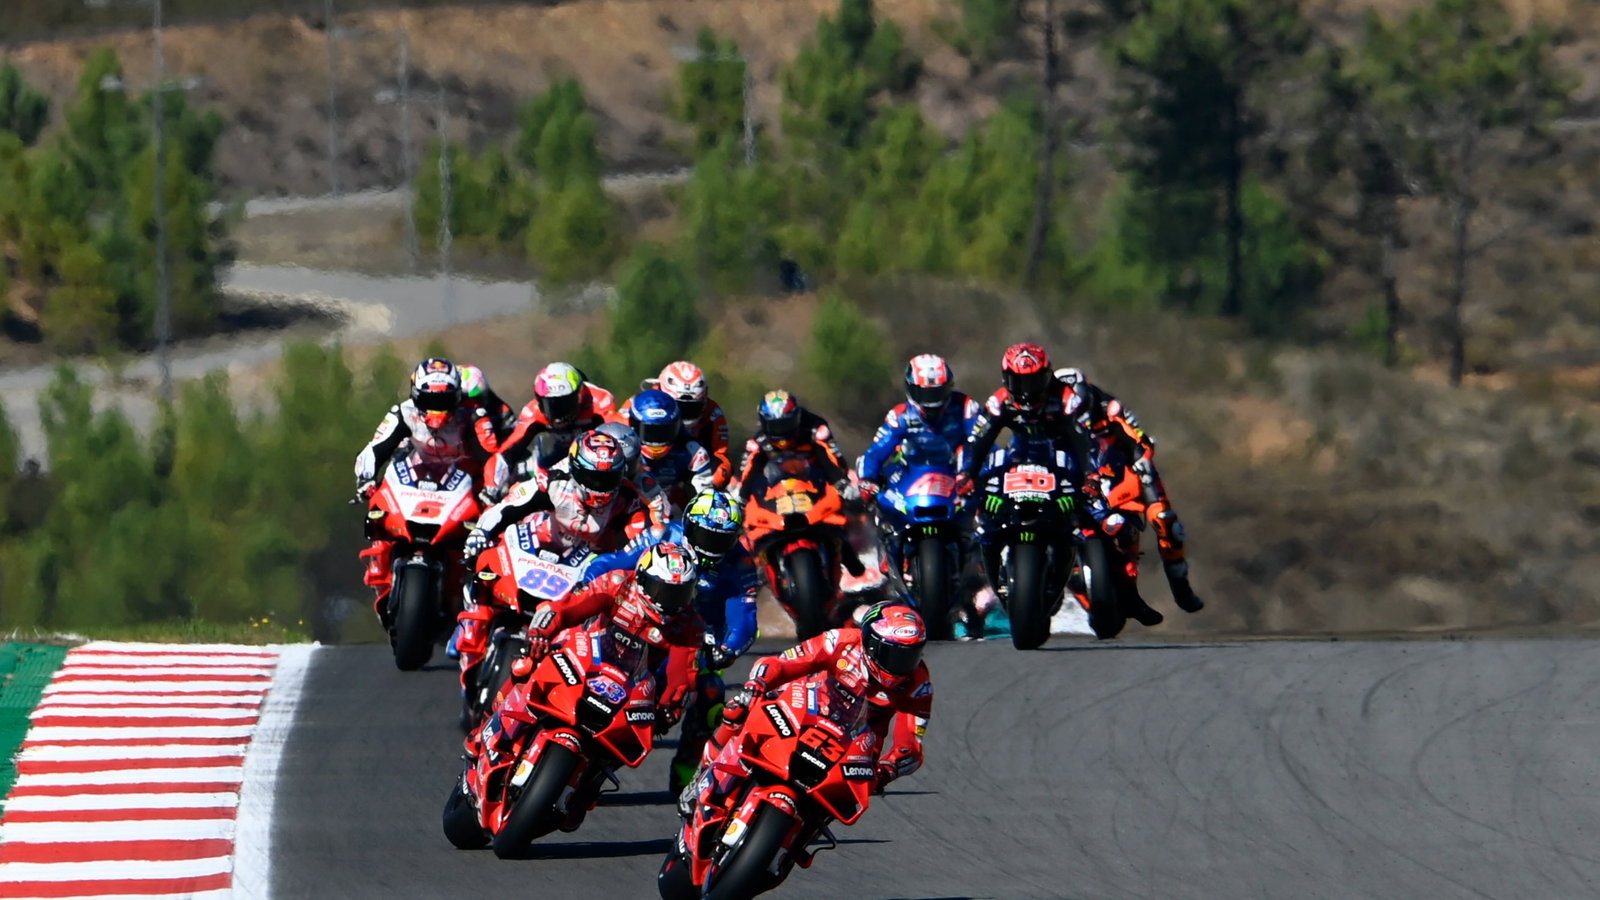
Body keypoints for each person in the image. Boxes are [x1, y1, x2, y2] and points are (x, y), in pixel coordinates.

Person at [471, 543, 706, 832]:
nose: (669, 601)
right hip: (582, 654)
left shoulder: (689, 624)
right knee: (526, 665)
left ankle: (588, 786)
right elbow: (568, 607)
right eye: (662, 590)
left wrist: (669, 708)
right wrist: (542, 631)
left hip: (629, 684)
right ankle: (489, 723)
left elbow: (682, 677)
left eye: (679, 593)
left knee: (636, 733)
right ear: (643, 579)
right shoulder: (619, 584)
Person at [685, 601, 933, 863]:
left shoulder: (918, 684)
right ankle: (702, 777)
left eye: (911, 655)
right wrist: (758, 683)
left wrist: (889, 768)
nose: (902, 666)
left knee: (850, 795)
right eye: (894, 655)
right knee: (739, 710)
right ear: (871, 643)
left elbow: (911, 746)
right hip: (806, 709)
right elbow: (782, 663)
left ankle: (796, 841)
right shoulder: (840, 641)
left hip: (855, 743)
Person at [963, 343, 1164, 627]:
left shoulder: (1067, 399)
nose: (1027, 389)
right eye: (1019, 381)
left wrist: (1090, 476)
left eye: (1034, 380)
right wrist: (967, 475)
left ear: (1047, 376)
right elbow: (979, 440)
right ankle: (984, 567)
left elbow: (1083, 440)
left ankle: (1130, 596)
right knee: (983, 510)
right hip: (1019, 458)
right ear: (1006, 379)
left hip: (1063, 461)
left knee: (1107, 519)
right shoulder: (999, 401)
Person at [584, 490, 758, 792]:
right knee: (572, 636)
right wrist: (588, 588)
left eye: (721, 540)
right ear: (688, 525)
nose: (711, 546)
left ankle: (687, 772)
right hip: (637, 621)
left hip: (695, 639)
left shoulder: (740, 562)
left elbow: (745, 616)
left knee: (711, 692)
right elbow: (611, 563)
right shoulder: (662, 534)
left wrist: (727, 649)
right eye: (705, 536)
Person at [1057, 367, 1202, 614]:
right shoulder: (1047, 413)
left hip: (1121, 471)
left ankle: (1181, 588)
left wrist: (1141, 458)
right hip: (1077, 476)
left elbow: (1138, 440)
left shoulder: (1110, 408)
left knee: (1165, 521)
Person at [354, 358, 496, 605]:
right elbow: (376, 447)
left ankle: (471, 593)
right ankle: (381, 570)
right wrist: (366, 478)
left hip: (460, 484)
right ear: (416, 395)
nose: (436, 410)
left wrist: (493, 489)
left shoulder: (473, 416)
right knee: (378, 507)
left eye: (443, 401)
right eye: (429, 401)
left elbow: (493, 457)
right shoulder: (403, 412)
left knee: (487, 532)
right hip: (413, 482)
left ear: (457, 396)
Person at [462, 431, 661, 564]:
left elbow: (643, 542)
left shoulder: (629, 497)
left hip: (590, 569)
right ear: (575, 469)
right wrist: (482, 531)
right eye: (592, 478)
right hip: (538, 552)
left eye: (609, 478)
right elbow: (508, 506)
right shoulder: (552, 480)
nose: (600, 487)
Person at [485, 363, 624, 500]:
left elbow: (622, 436)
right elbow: (505, 454)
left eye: (565, 404)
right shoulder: (533, 412)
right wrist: (491, 490)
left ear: (580, 395)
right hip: (557, 458)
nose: (558, 415)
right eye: (549, 405)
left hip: (594, 465)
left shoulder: (599, 401)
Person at [734, 390, 853, 503]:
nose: (781, 431)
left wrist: (842, 482)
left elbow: (834, 459)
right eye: (774, 426)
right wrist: (742, 495)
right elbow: (749, 470)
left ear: (797, 418)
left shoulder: (815, 429)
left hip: (816, 482)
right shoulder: (758, 442)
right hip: (777, 491)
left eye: (785, 424)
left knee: (848, 494)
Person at [641, 361, 733, 488]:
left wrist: (716, 477)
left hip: (689, 469)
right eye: (677, 406)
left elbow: (721, 454)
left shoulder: (713, 413)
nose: (683, 414)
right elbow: (620, 435)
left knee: (719, 476)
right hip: (646, 465)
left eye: (692, 408)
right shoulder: (640, 405)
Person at [626, 389, 718, 515]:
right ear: (633, 425)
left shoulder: (693, 452)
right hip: (630, 514)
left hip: (671, 514)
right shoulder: (622, 450)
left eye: (664, 432)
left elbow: (705, 499)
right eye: (650, 432)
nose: (657, 440)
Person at [460, 364, 517, 452]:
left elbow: (513, 441)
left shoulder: (502, 410)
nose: (476, 405)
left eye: (479, 398)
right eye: (469, 400)